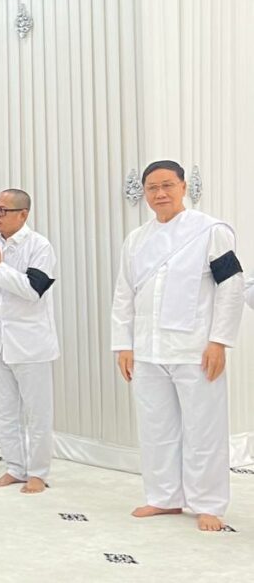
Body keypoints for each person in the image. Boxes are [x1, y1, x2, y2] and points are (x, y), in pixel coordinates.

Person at [111, 160, 243, 532]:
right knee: (156, 427)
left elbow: (231, 287)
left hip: (195, 347)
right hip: (147, 348)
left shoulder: (211, 231)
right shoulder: (136, 239)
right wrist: (123, 344)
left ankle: (208, 503)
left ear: (184, 187)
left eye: (167, 185)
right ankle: (164, 497)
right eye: (152, 188)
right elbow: (124, 293)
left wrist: (219, 341)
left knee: (204, 428)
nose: (160, 194)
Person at [0, 189, 59, 495]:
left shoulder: (39, 246)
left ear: (23, 214)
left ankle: (38, 472)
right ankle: (14, 467)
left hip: (30, 343)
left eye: (2, 211)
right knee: (6, 412)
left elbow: (33, 290)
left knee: (37, 413)